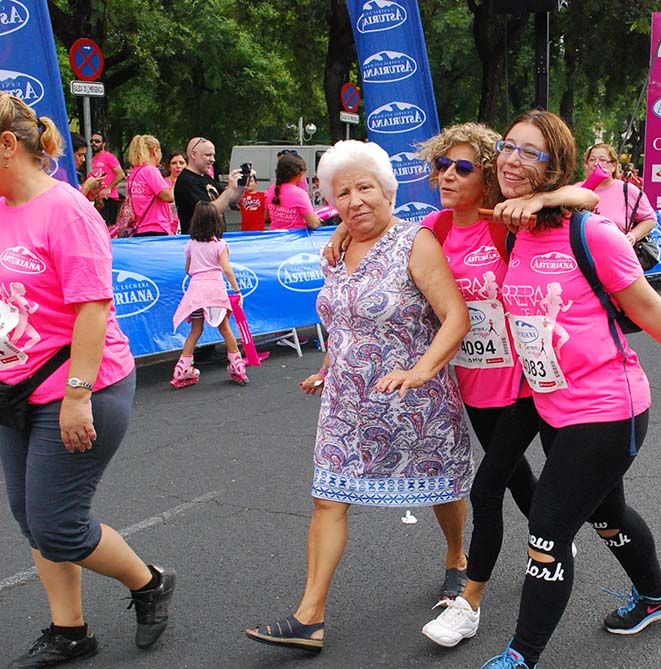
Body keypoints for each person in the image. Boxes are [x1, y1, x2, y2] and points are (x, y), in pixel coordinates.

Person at [478, 110, 661, 669]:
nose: (512, 161)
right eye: (507, 147)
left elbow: (646, 306)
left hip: (607, 407)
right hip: (551, 404)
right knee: (607, 514)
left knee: (548, 528)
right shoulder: (514, 230)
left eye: (530, 153)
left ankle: (521, 656)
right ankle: (657, 596)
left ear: (556, 167)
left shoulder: (591, 234)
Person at [244, 140, 474, 655]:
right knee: (327, 497)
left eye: (364, 188)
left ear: (387, 191)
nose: (354, 201)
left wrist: (421, 370)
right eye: (342, 193)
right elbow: (344, 321)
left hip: (417, 403)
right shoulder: (336, 250)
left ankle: (457, 558)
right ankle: (310, 617)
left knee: (441, 489)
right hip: (346, 404)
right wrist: (328, 368)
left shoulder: (415, 242)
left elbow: (456, 317)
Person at [406, 124, 599, 648]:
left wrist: (543, 197)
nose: (448, 175)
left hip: (523, 383)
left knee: (486, 488)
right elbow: (385, 240)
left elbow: (587, 198)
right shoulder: (435, 228)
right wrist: (341, 235)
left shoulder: (508, 223)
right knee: (513, 475)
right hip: (473, 381)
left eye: (463, 167)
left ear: (487, 176)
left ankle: (468, 604)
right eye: (442, 165)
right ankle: (554, 536)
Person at [0, 93, 175, 668]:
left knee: (58, 525)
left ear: (7, 145)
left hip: (81, 388)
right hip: (15, 390)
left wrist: (77, 395)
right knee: (33, 521)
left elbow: (93, 309)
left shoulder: (67, 210)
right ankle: (69, 631)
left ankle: (150, 582)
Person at [170, 203, 248, 387]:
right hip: (215, 291)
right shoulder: (220, 245)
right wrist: (237, 290)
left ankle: (182, 369)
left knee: (196, 330)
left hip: (195, 293)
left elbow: (188, 269)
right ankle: (237, 365)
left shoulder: (191, 245)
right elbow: (227, 269)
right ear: (216, 222)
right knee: (225, 328)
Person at [578, 144, 656, 246]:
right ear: (586, 165)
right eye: (592, 160)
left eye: (602, 160)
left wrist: (633, 235)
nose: (596, 164)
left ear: (614, 166)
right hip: (580, 250)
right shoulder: (576, 190)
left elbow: (650, 219)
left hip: (617, 250)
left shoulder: (627, 190)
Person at [173, 136, 245, 234]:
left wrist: (242, 185)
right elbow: (209, 213)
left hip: (215, 238)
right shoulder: (186, 180)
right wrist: (230, 188)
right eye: (208, 155)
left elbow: (231, 200)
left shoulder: (206, 177)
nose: (213, 159)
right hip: (199, 239)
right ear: (193, 154)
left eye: (213, 155)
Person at [124, 135, 175, 237]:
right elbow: (169, 197)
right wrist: (175, 181)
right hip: (156, 226)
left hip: (139, 227)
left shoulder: (135, 172)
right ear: (155, 151)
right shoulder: (150, 170)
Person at [265, 152, 320, 230]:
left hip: (275, 235)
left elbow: (267, 217)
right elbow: (313, 224)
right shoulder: (300, 194)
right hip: (296, 236)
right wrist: (318, 219)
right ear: (299, 173)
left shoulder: (271, 189)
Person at [87, 131, 126, 227]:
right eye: (92, 141)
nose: (94, 143)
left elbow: (121, 174)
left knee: (109, 227)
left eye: (97, 141)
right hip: (97, 199)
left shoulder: (109, 157)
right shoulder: (91, 160)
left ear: (104, 144)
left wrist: (109, 188)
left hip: (109, 198)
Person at [70, 132, 103, 201]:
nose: (83, 159)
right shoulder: (59, 177)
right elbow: (73, 203)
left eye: (84, 155)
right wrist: (86, 187)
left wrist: (91, 195)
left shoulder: (73, 175)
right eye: (80, 155)